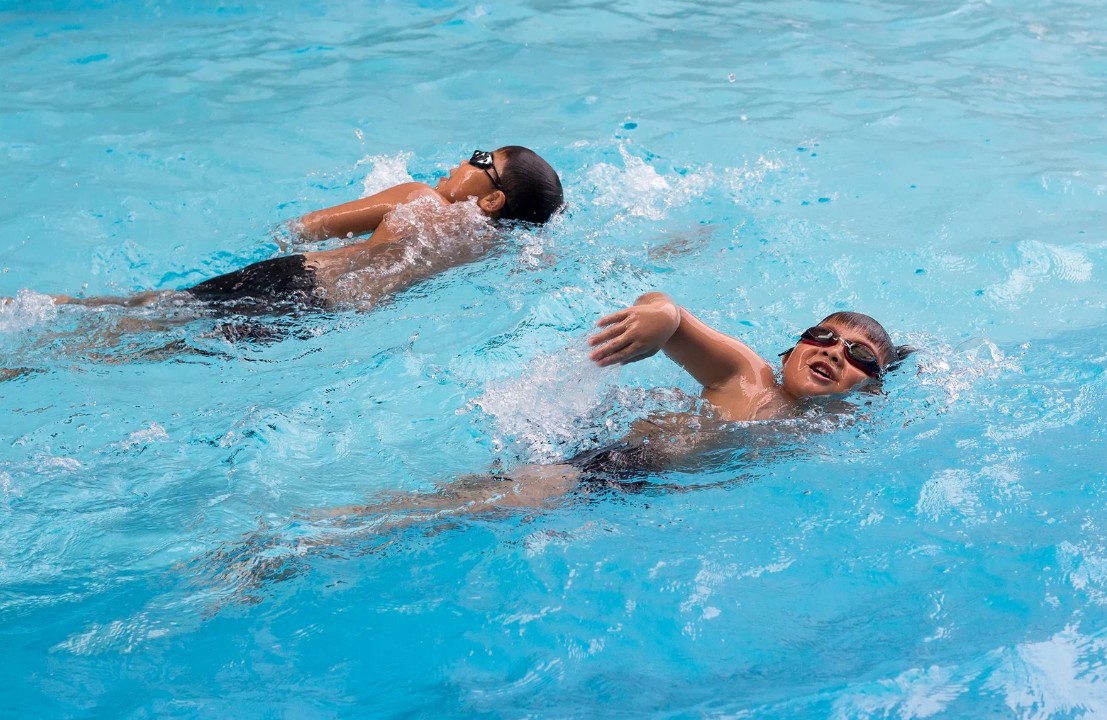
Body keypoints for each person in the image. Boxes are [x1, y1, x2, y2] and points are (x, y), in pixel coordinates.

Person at [51, 146, 564, 314]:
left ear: (492, 198)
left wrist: (273, 242)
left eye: (479, 159)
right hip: (321, 319)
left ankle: (40, 312)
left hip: (294, 279)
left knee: (136, 313)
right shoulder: (495, 251)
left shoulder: (420, 198)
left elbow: (304, 228)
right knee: (161, 343)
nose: (462, 159)